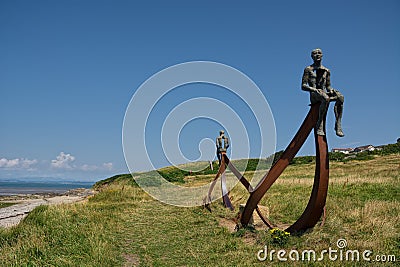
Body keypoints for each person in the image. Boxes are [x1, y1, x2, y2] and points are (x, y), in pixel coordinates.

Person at [301, 48, 344, 137]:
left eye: (319, 53)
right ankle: (320, 123)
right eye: (314, 53)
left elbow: (328, 86)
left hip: (323, 93)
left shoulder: (326, 71)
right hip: (314, 95)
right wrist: (314, 89)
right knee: (325, 98)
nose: (317, 55)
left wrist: (332, 90)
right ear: (312, 56)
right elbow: (303, 86)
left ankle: (338, 124)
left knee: (340, 97)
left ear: (322, 55)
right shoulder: (308, 69)